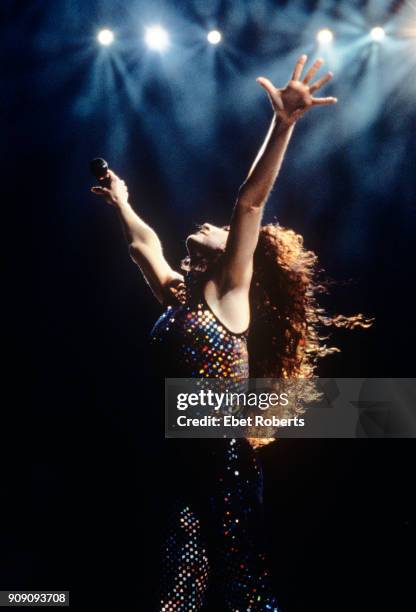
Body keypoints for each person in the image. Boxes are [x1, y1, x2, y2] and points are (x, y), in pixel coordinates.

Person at [91, 55, 370, 611]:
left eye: (223, 231)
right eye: (219, 227)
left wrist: (283, 124)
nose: (214, 225)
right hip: (178, 462)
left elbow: (249, 202)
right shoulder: (178, 294)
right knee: (179, 588)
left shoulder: (229, 293)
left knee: (240, 584)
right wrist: (122, 201)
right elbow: (144, 245)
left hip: (222, 460)